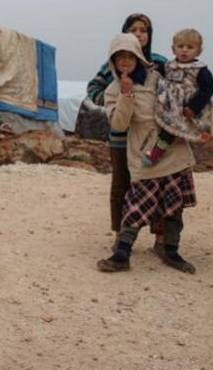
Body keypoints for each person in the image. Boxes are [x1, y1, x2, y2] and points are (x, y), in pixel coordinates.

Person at [96, 33, 197, 274]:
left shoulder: (157, 79)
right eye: (121, 57)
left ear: (139, 57)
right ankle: (122, 253)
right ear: (113, 61)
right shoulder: (113, 90)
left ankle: (171, 251)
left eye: (131, 56)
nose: (126, 61)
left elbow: (176, 108)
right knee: (135, 205)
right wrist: (126, 94)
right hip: (145, 154)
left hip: (172, 150)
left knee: (174, 207)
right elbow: (119, 124)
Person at [87, 13, 167, 250]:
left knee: (159, 183)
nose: (139, 34)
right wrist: (114, 103)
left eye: (144, 30)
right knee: (122, 184)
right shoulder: (112, 63)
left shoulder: (160, 63)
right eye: (133, 30)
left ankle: (161, 236)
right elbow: (93, 88)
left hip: (152, 139)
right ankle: (121, 236)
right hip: (121, 139)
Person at [143, 28, 213, 166]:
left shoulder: (200, 70)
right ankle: (158, 151)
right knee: (164, 128)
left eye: (190, 47)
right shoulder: (168, 66)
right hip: (169, 105)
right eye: (180, 46)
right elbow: (154, 75)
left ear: (198, 51)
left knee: (172, 131)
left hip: (186, 108)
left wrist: (194, 107)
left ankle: (156, 154)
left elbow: (207, 90)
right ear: (173, 49)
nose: (184, 50)